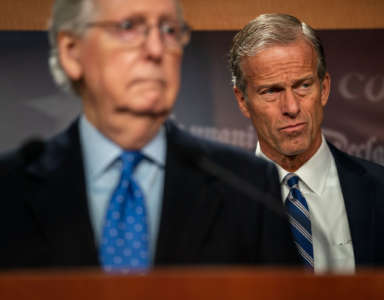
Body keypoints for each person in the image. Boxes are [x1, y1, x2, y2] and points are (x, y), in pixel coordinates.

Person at [0, 1, 300, 270]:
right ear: (71, 52)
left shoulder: (248, 185)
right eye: (129, 27)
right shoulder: (9, 188)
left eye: (170, 30)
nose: (157, 49)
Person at [229, 13, 384, 273]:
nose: (291, 107)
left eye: (303, 85)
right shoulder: (212, 205)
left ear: (325, 88)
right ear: (242, 100)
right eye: (271, 91)